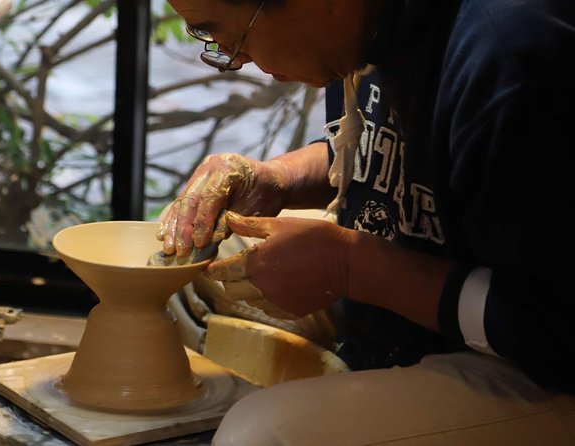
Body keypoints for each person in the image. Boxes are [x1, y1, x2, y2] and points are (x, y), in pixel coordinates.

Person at [158, 0, 575, 444]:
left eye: (233, 39)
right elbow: (384, 149)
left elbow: (550, 324)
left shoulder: (512, 58)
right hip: (418, 286)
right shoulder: (369, 25)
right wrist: (277, 178)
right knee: (186, 258)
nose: (236, 62)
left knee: (259, 435)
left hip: (534, 357)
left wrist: (349, 268)